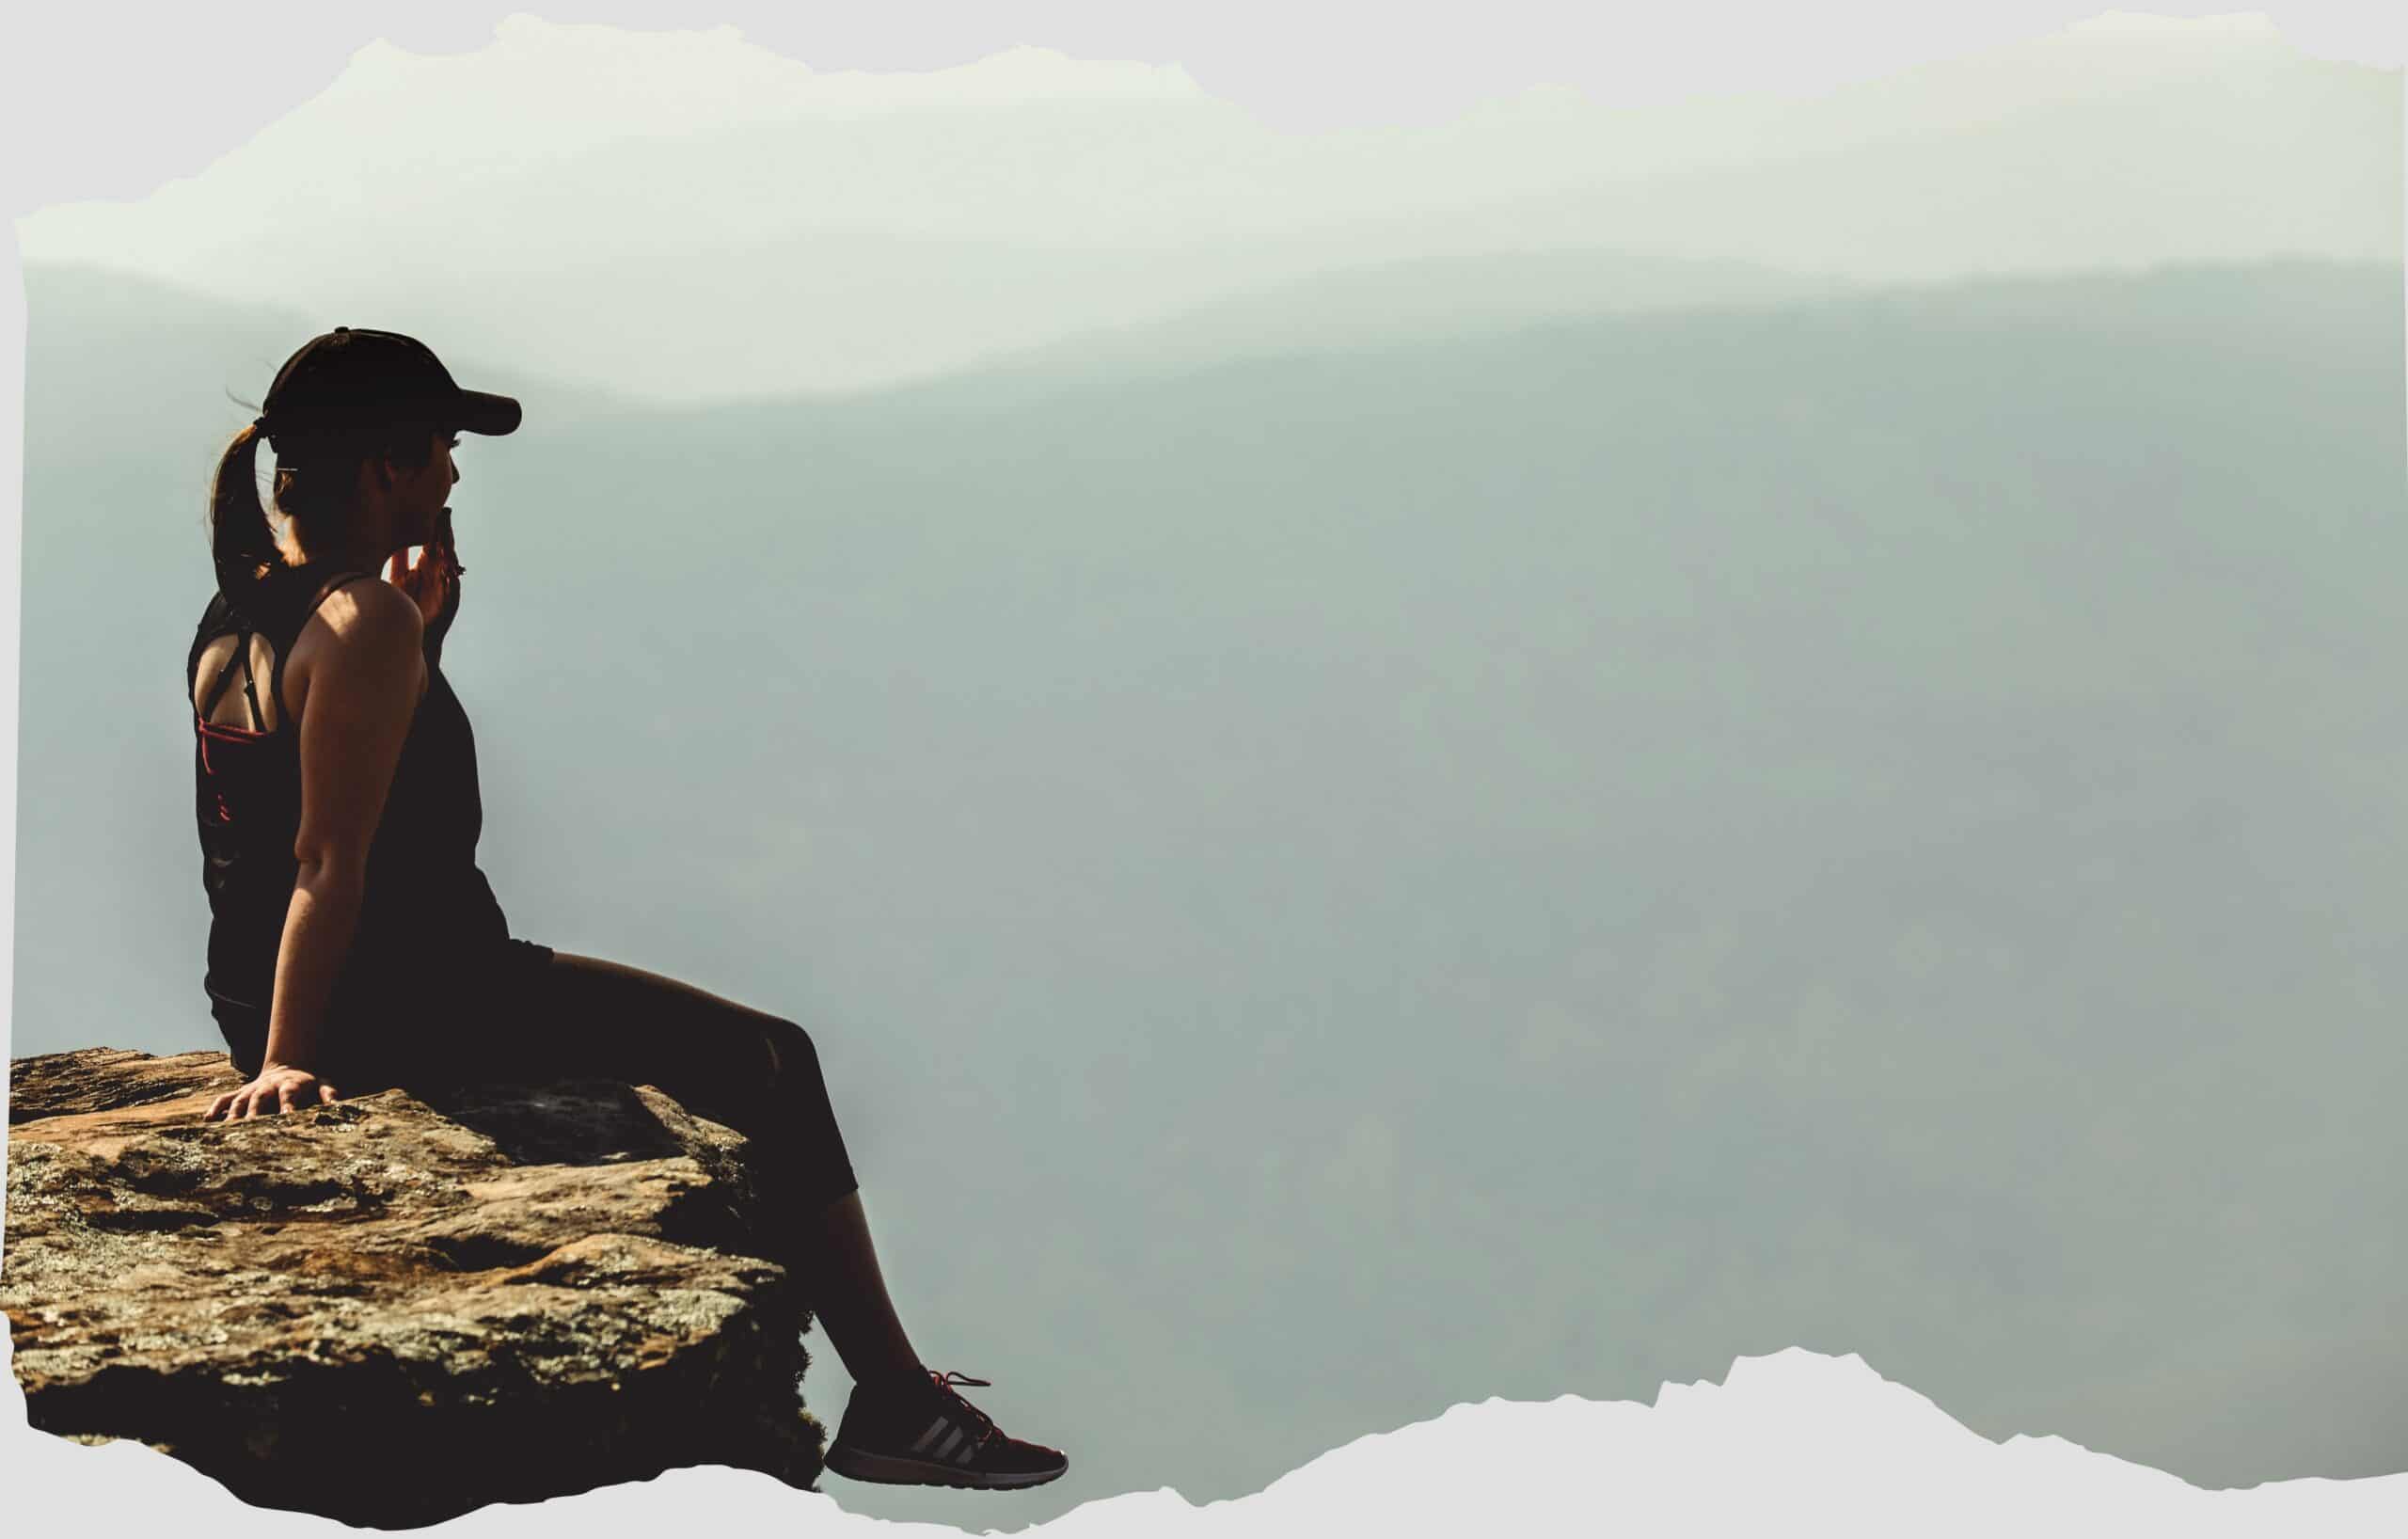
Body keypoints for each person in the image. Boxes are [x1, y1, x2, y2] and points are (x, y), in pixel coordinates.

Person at [186, 326, 1065, 1492]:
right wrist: (295, 1060)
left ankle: (897, 1398)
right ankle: (897, 1403)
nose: (454, 475)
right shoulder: (361, 624)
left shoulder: (246, 610)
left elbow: (283, 825)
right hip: (416, 997)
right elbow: (324, 860)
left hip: (279, 988)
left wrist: (426, 647)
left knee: (735, 1057)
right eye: (442, 449)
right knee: (771, 1058)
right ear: (386, 471)